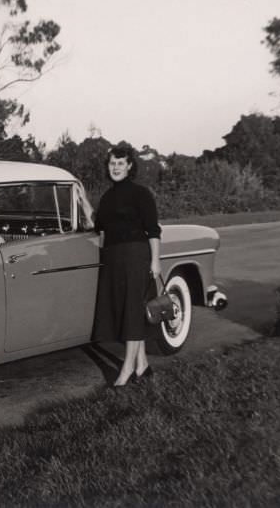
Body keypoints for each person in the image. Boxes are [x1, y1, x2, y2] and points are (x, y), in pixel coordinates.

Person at [92, 145, 162, 387]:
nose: (116, 168)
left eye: (121, 163)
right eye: (112, 163)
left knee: (132, 312)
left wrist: (155, 261)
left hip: (136, 257)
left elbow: (153, 230)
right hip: (114, 259)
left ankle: (127, 370)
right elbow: (98, 225)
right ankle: (142, 366)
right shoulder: (107, 196)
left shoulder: (141, 193)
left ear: (130, 165)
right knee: (126, 311)